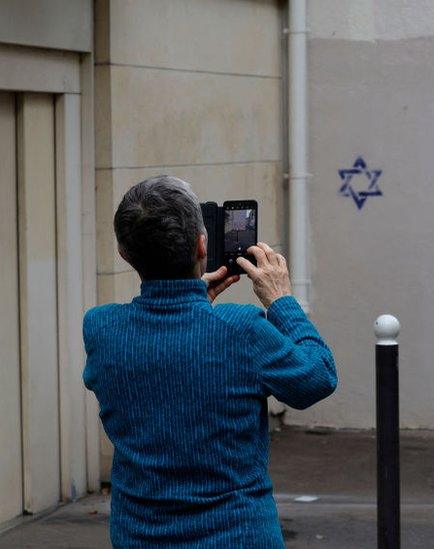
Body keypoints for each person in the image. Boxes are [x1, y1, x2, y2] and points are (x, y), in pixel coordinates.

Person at [83, 175, 337, 547]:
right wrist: (283, 301)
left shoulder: (101, 328)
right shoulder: (241, 329)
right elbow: (318, 376)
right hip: (237, 535)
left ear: (124, 253)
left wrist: (193, 303)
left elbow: (164, 353)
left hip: (140, 537)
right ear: (202, 245)